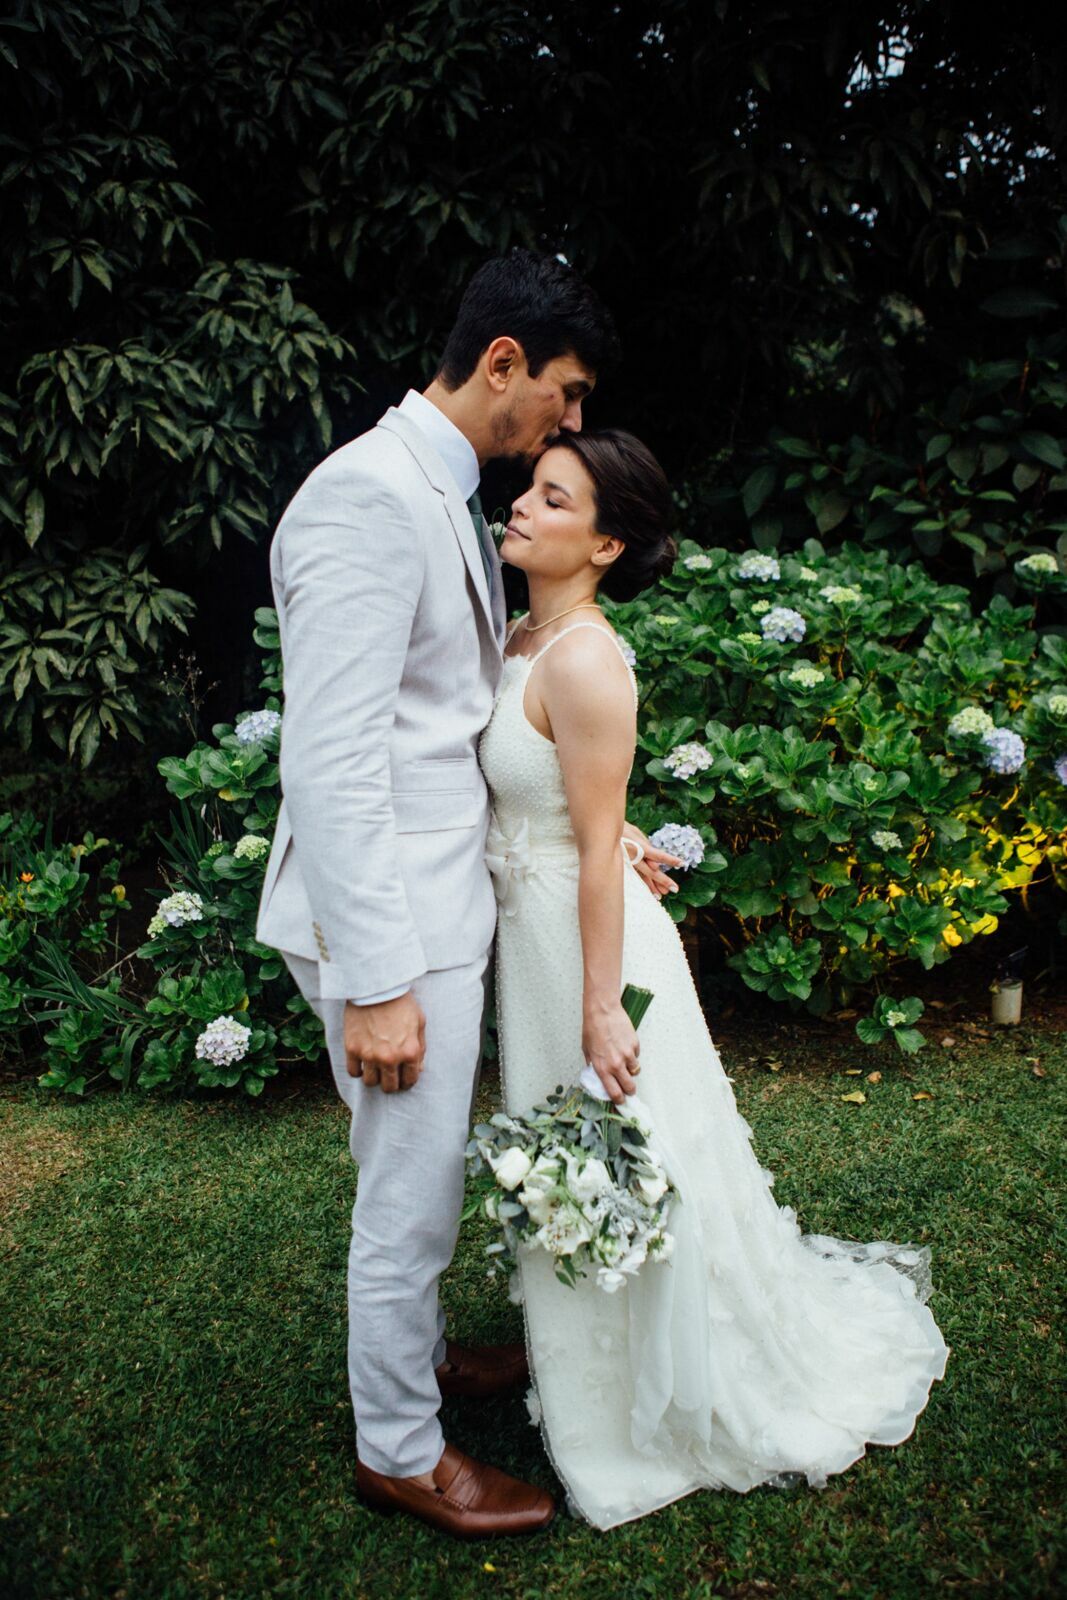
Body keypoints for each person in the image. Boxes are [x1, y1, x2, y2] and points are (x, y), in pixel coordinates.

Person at [254, 251, 681, 1539]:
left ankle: (424, 1357)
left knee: (416, 1169)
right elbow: (328, 757)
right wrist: (377, 978)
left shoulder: (438, 485)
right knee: (410, 1184)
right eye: (561, 392)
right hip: (390, 918)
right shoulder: (366, 500)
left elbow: (449, 720)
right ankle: (398, 1447)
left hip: (447, 896)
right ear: (501, 362)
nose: (565, 420)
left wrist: (596, 827)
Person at [479, 428, 951, 1529]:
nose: (520, 508)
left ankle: (654, 1391)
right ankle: (582, 1354)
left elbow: (592, 850)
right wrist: (622, 826)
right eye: (528, 491)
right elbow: (567, 797)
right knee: (566, 1146)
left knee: (619, 1145)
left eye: (550, 500)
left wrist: (602, 1006)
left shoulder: (588, 656)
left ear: (602, 542)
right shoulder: (518, 634)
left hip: (592, 946)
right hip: (539, 936)